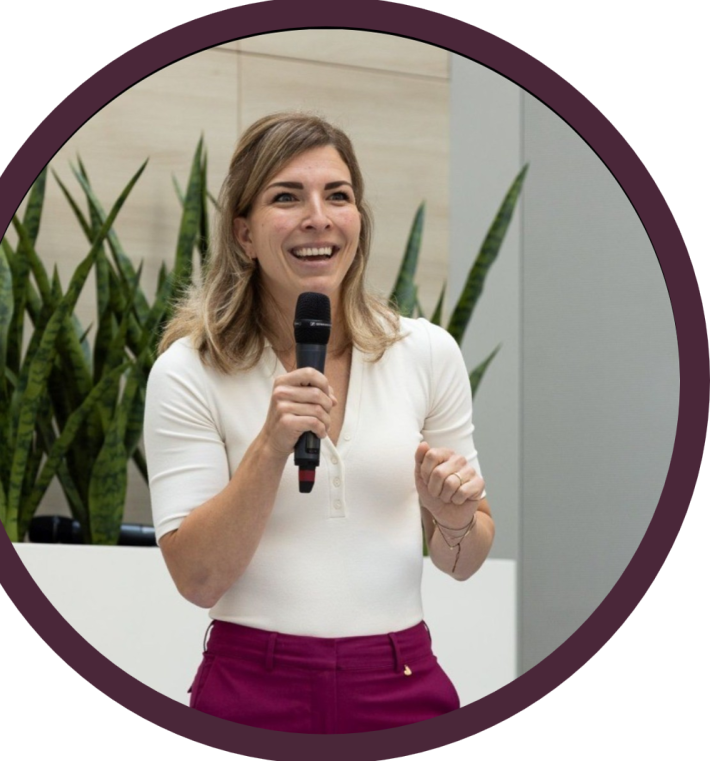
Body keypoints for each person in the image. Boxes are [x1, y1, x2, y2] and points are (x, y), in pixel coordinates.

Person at [143, 112, 494, 734]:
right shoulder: (189, 370)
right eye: (287, 197)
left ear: (358, 218)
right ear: (244, 234)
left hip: (401, 680)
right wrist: (270, 446)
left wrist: (455, 518)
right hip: (252, 686)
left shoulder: (426, 352)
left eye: (338, 195)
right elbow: (197, 580)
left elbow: (463, 561)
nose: (319, 217)